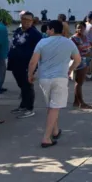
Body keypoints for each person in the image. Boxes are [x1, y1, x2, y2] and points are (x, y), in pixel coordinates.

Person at [28, 20, 81, 148]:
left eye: (48, 29)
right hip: (60, 78)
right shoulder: (68, 43)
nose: (46, 31)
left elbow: (33, 62)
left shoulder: (42, 42)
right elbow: (78, 60)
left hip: (44, 79)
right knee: (54, 107)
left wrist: (30, 75)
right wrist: (70, 69)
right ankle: (46, 138)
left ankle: (55, 130)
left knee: (51, 106)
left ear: (51, 30)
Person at [8, 11, 42, 119]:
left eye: (29, 20)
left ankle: (29, 108)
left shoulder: (35, 34)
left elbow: (39, 51)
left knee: (27, 85)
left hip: (27, 64)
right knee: (22, 85)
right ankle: (22, 105)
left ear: (32, 21)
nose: (26, 22)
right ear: (21, 20)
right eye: (24, 19)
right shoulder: (18, 30)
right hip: (15, 63)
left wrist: (34, 66)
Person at [70, 22, 92, 109]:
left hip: (85, 60)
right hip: (78, 61)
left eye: (81, 27)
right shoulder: (73, 38)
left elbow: (88, 47)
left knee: (80, 82)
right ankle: (81, 103)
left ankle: (76, 101)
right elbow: (70, 51)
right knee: (79, 83)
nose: (80, 29)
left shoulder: (85, 37)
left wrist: (88, 54)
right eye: (78, 28)